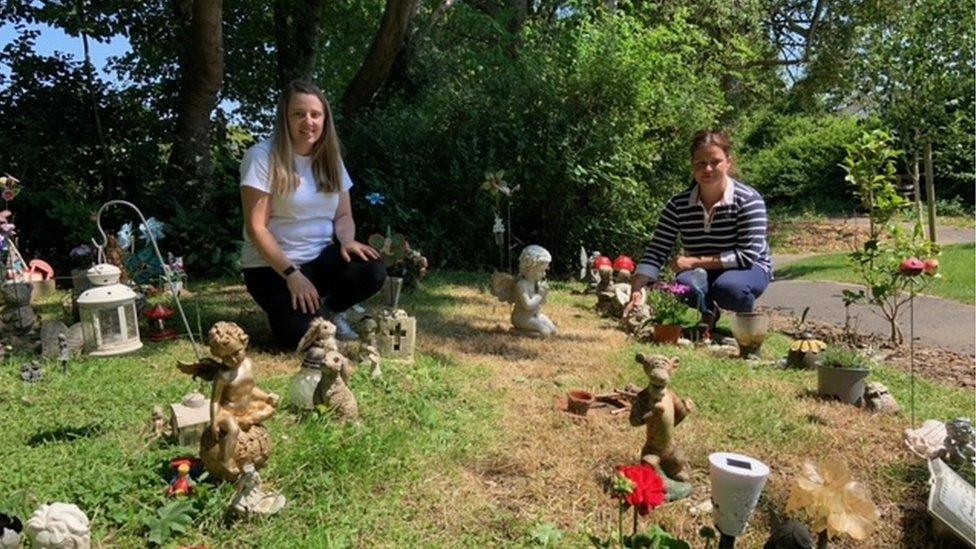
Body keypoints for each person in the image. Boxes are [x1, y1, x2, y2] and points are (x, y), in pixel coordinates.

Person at [240, 80, 386, 348]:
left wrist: (347, 241)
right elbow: (256, 227)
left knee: (372, 269)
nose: (308, 121)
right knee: (298, 340)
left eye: (315, 114)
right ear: (285, 117)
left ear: (324, 119)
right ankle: (300, 314)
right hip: (272, 269)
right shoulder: (261, 157)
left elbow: (343, 216)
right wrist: (292, 275)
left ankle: (330, 312)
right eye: (299, 114)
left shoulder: (330, 158)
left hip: (318, 260)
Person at [626, 130, 772, 330]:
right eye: (700, 163)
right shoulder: (678, 205)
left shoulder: (748, 200)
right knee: (683, 288)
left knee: (730, 288)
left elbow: (746, 257)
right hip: (702, 271)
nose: (708, 168)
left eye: (715, 161)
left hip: (748, 269)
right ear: (692, 165)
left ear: (728, 162)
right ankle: (708, 313)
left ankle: (747, 326)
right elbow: (657, 250)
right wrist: (637, 289)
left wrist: (693, 261)